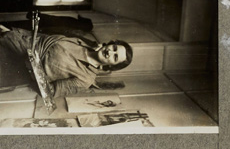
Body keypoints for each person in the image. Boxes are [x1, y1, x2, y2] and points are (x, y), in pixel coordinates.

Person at [0, 24, 133, 98]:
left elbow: (48, 93)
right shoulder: (82, 41)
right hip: (9, 40)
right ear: (109, 44)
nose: (110, 52)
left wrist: (32, 67)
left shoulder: (86, 79)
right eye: (114, 48)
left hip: (10, 67)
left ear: (111, 66)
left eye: (115, 57)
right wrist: (12, 31)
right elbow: (43, 38)